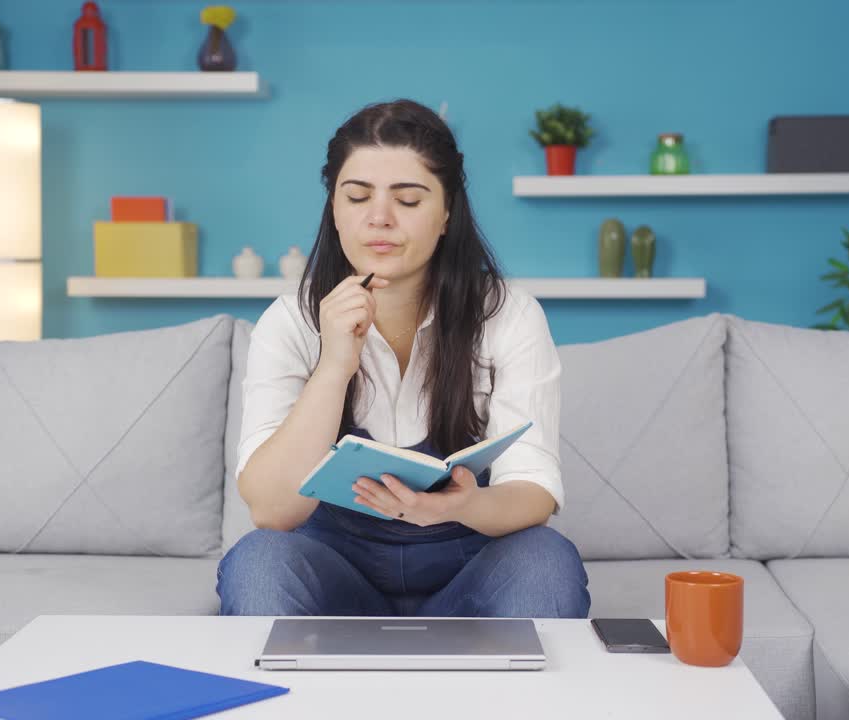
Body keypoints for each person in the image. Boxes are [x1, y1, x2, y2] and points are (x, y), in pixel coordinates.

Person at [217, 99, 589, 618]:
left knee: (546, 560)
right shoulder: (290, 321)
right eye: (357, 196)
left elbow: (534, 493)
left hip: (468, 568)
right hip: (337, 574)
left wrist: (465, 504)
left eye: (408, 200)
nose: (379, 219)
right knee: (258, 561)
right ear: (334, 207)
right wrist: (334, 365)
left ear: (447, 214)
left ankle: (513, 701)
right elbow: (272, 510)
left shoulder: (509, 315)